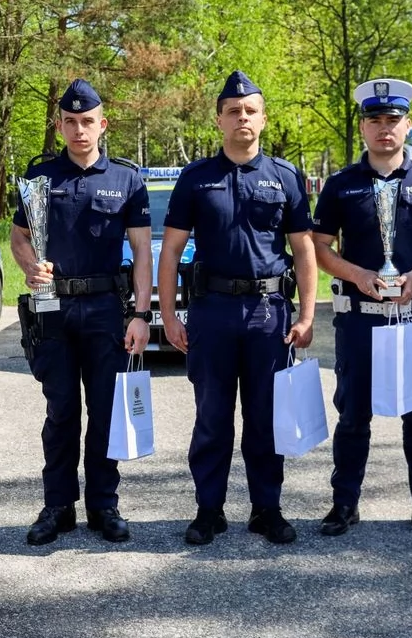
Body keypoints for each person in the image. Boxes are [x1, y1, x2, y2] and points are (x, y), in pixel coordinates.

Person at [158, 70, 317, 546]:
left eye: (250, 111)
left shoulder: (285, 176)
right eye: (233, 111)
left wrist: (307, 315)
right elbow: (170, 251)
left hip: (269, 313)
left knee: (266, 416)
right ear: (219, 120)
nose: (242, 118)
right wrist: (168, 315)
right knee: (212, 416)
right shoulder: (196, 178)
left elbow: (304, 250)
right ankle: (209, 510)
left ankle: (267, 508)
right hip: (212, 312)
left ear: (263, 119)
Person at [311, 78, 412, 540]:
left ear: (407, 125)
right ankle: (344, 504)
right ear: (362, 127)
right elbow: (319, 247)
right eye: (375, 120)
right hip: (358, 318)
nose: (384, 129)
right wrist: (356, 274)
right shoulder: (340, 185)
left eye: (392, 120)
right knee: (353, 415)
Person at [11, 79, 152, 546]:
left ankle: (103, 505)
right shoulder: (39, 179)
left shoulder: (126, 180)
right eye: (70, 122)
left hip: (105, 309)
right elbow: (18, 238)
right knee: (61, 410)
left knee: (106, 410)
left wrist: (141, 313)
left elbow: (141, 251)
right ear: (60, 126)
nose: (78, 130)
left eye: (87, 121)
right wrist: (31, 267)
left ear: (102, 124)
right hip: (53, 311)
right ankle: (58, 506)